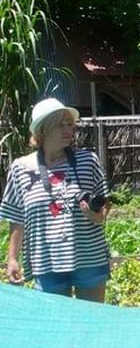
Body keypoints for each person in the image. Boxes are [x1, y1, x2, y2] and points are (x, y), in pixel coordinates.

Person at [0, 98, 111, 301]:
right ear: (42, 130)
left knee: (92, 324)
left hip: (89, 259)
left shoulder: (88, 161)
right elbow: (17, 218)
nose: (67, 130)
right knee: (56, 326)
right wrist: (13, 259)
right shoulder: (20, 168)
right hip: (46, 261)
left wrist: (94, 215)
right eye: (60, 125)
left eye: (70, 124)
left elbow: (103, 209)